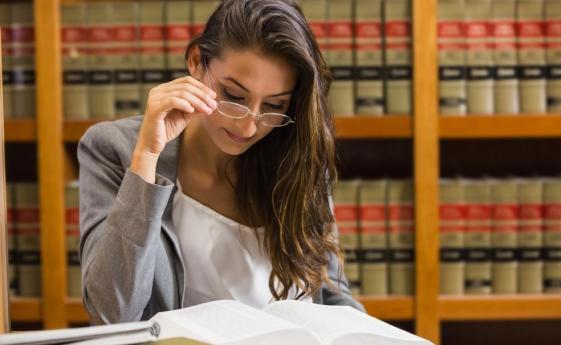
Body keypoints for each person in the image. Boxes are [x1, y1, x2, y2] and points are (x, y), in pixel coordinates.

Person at [78, 0, 364, 325]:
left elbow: (331, 294)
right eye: (234, 96)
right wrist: (146, 158)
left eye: (273, 104)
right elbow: (110, 311)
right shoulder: (113, 149)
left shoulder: (297, 159)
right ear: (197, 61)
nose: (249, 126)